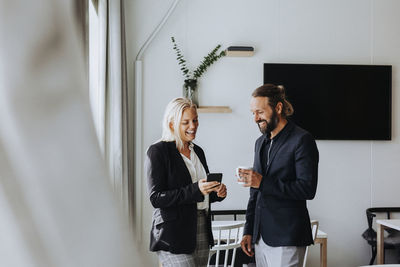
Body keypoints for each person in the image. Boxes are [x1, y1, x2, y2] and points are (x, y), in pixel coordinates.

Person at [239, 84, 319, 267]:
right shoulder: (260, 143)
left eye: (259, 111)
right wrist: (248, 230)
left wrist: (262, 182)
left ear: (278, 108)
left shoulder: (302, 140)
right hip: (259, 239)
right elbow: (255, 192)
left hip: (287, 238)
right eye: (253, 113)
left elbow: (307, 189)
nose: (255, 118)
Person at [146, 97, 227, 267]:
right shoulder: (158, 151)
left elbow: (200, 194)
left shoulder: (198, 151)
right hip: (172, 233)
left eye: (195, 120)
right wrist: (196, 189)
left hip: (201, 227)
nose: (193, 126)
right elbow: (156, 198)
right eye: (186, 122)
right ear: (171, 124)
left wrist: (216, 193)